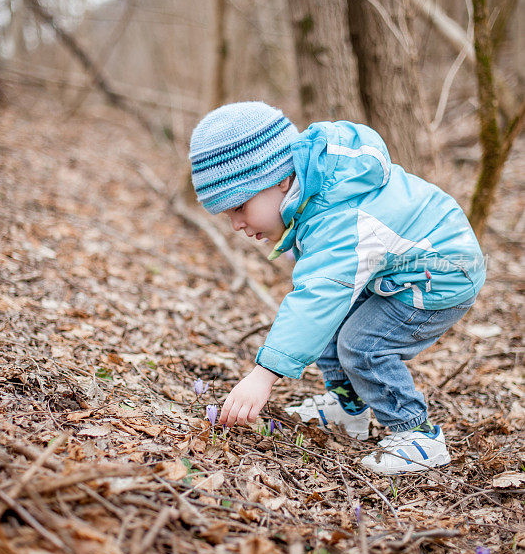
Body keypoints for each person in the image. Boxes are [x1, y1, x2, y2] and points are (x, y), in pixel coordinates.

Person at [189, 102, 485, 474]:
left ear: (279, 179)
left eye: (239, 207)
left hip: (442, 272)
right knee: (335, 322)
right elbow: (323, 301)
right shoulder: (316, 194)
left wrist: (264, 375)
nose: (236, 224)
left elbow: (318, 298)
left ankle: (418, 437)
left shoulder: (340, 214)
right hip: (403, 268)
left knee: (362, 344)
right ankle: (348, 408)